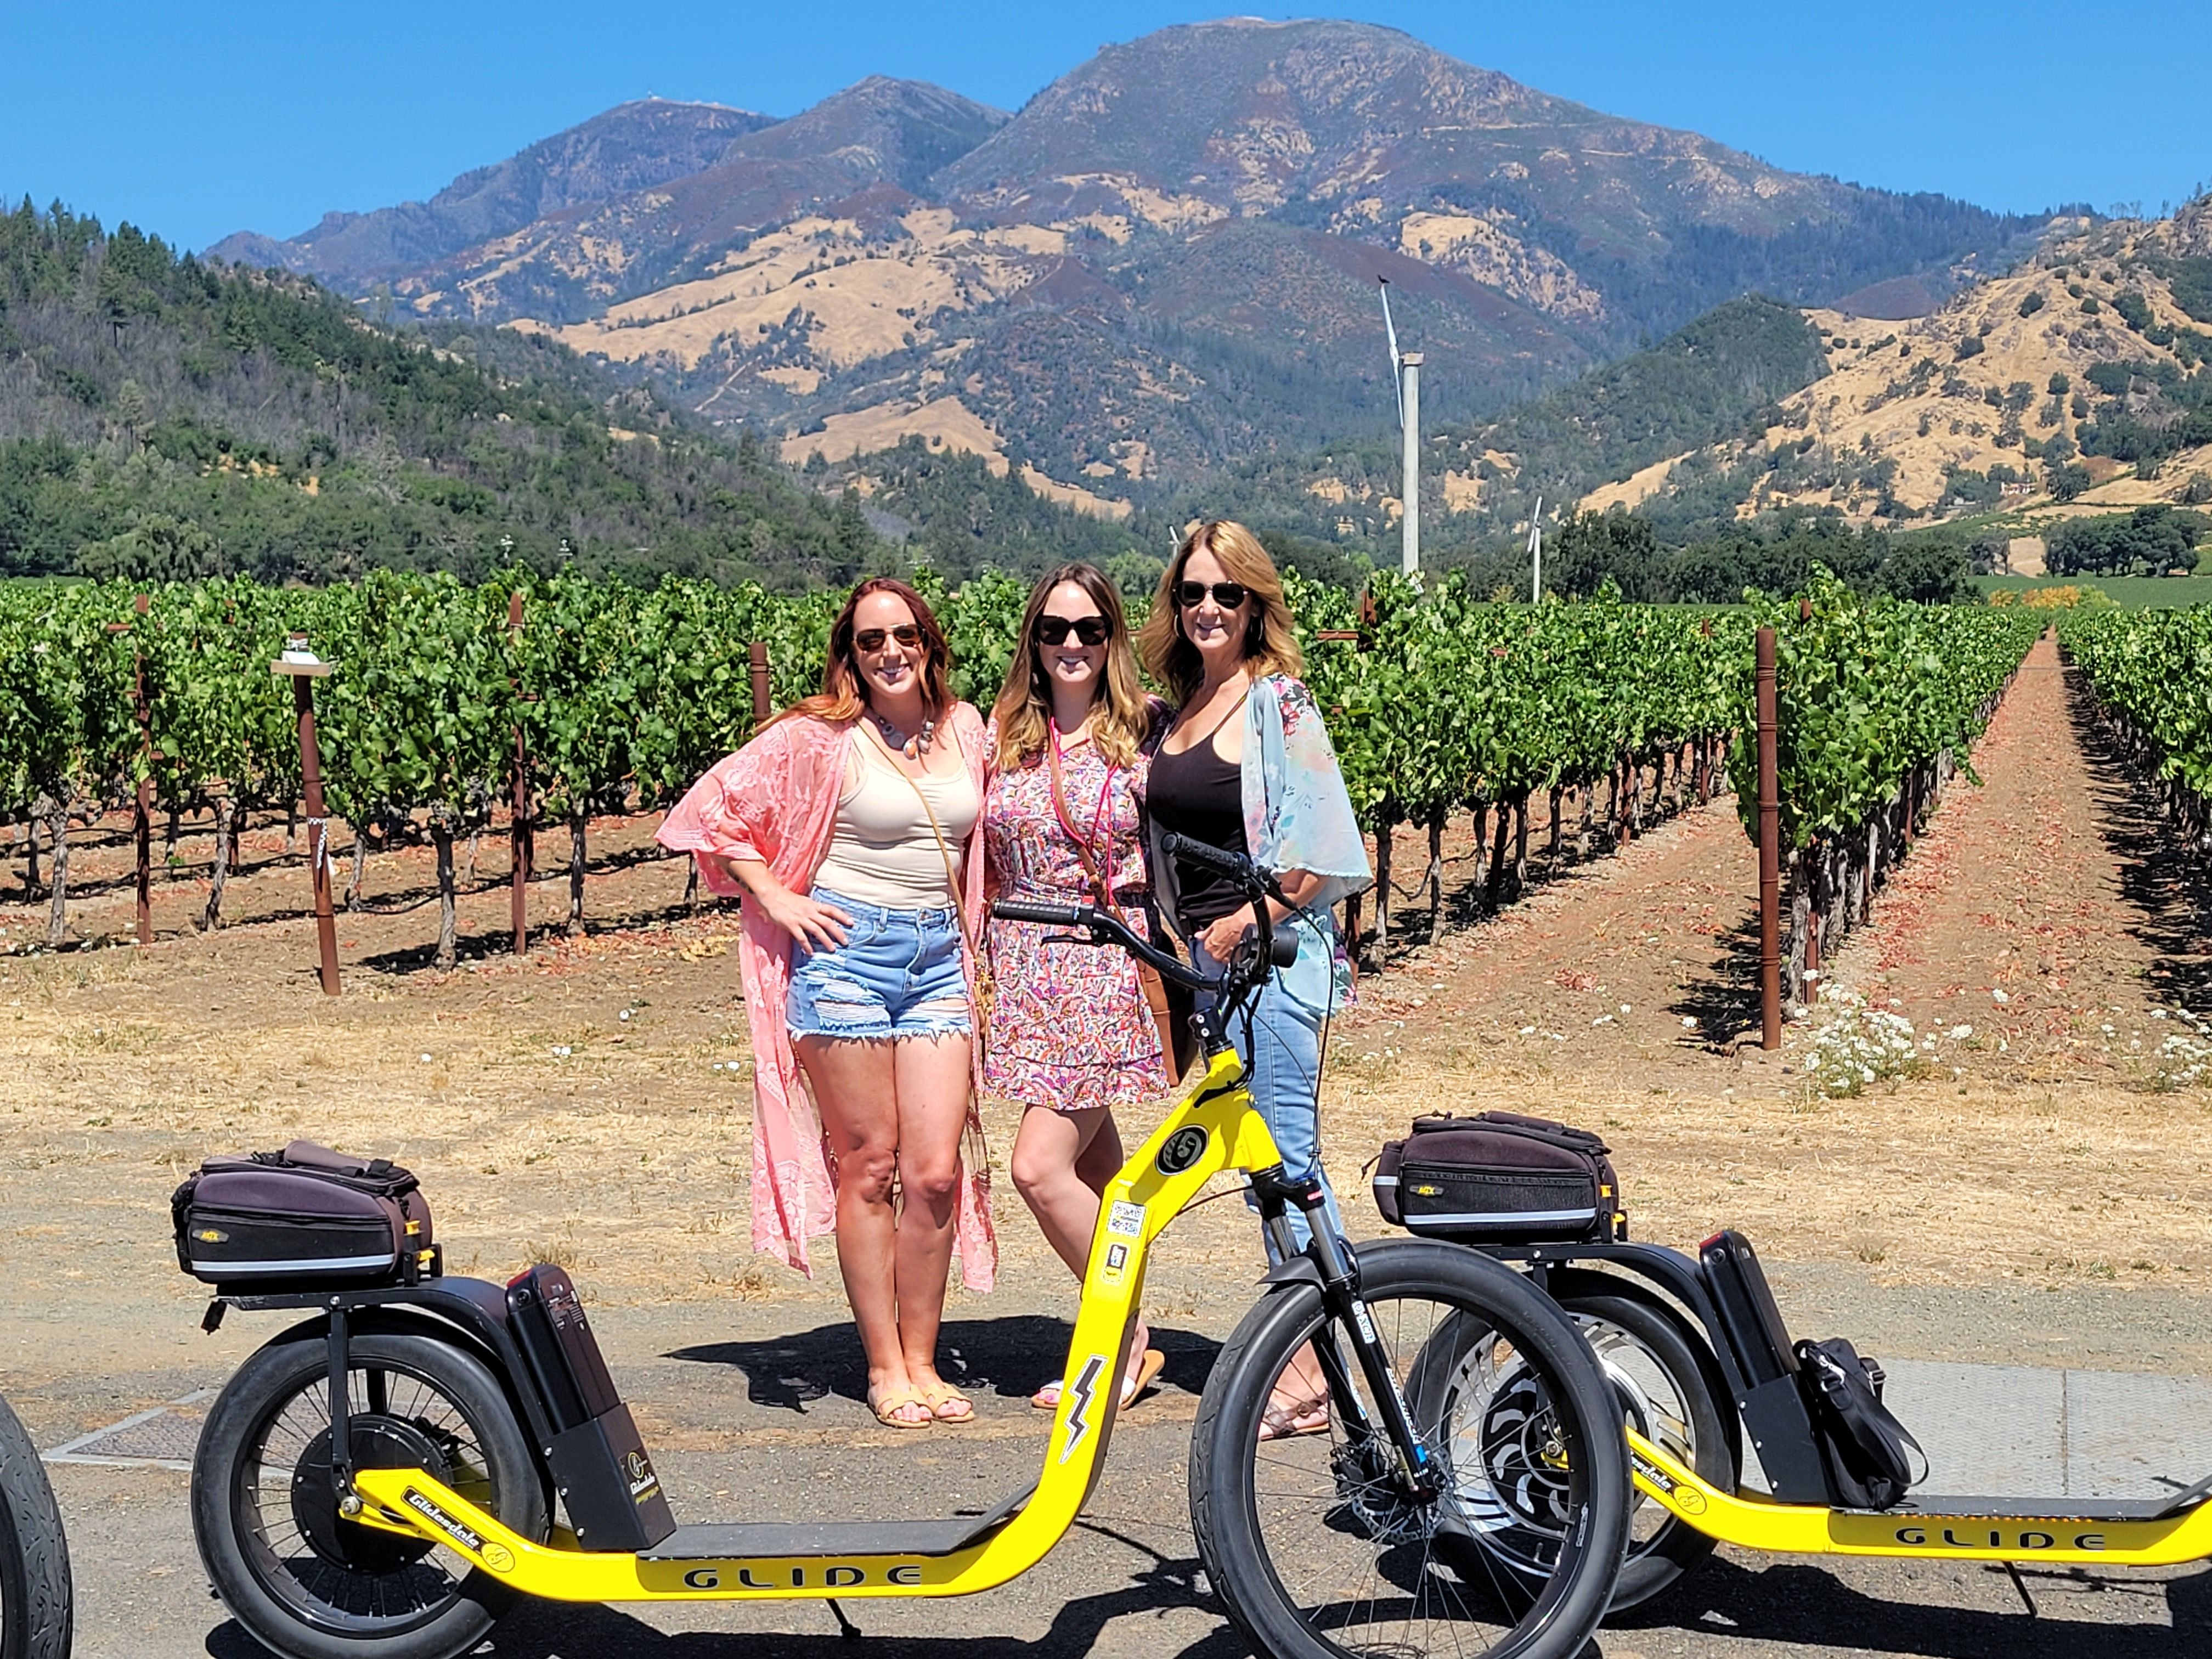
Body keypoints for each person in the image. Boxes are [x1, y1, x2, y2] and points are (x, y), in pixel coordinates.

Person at [657, 578, 995, 1431]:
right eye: (872, 640)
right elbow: (711, 813)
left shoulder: (964, 728)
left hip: (939, 961)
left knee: (936, 1173)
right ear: (850, 653)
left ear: (931, 645)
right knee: (871, 1165)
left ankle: (925, 1357)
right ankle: (886, 1366)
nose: (892, 653)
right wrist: (774, 895)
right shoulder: (817, 738)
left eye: (907, 636)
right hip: (845, 957)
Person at [1137, 520, 1371, 1438]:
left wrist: (1248, 921)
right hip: (1207, 968)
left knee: (1289, 1164)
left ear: (1255, 604)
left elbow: (1321, 849)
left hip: (1266, 965)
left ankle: (1318, 1369)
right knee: (1259, 1162)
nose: (1206, 608)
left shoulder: (1279, 704)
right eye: (1192, 592)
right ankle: (1322, 1355)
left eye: (1225, 594)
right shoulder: (1180, 706)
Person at [982, 563, 1171, 1413]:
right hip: (1024, 972)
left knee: (1038, 1167)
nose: (1070, 645)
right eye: (1053, 630)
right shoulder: (1002, 735)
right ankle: (1133, 1342)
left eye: (1089, 630)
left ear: (1113, 640)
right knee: (1101, 1178)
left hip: (1100, 966)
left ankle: (1121, 1346)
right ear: (1032, 639)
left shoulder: (1147, 730)